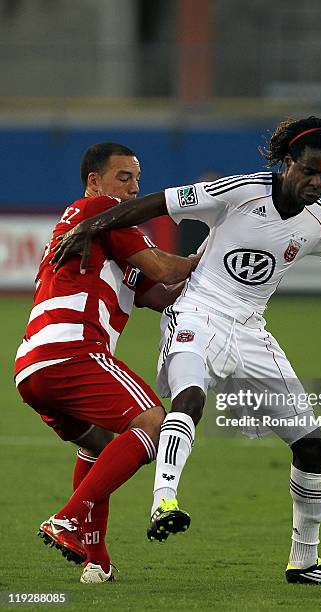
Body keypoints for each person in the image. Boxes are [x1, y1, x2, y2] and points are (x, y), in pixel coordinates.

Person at [51, 117, 321, 585]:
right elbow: (158, 203)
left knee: (314, 444)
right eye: (310, 171)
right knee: (189, 400)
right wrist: (91, 226)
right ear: (287, 163)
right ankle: (165, 501)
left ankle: (302, 562)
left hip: (252, 330)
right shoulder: (238, 191)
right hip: (197, 311)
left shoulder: (318, 221)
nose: (317, 182)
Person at [14, 142, 198, 584]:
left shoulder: (100, 233)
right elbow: (168, 269)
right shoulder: (101, 209)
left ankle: (96, 561)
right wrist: (214, 251)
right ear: (94, 181)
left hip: (32, 367)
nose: (134, 189)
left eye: (137, 179)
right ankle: (69, 518)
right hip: (72, 351)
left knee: (97, 445)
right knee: (155, 422)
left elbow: (161, 292)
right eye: (124, 177)